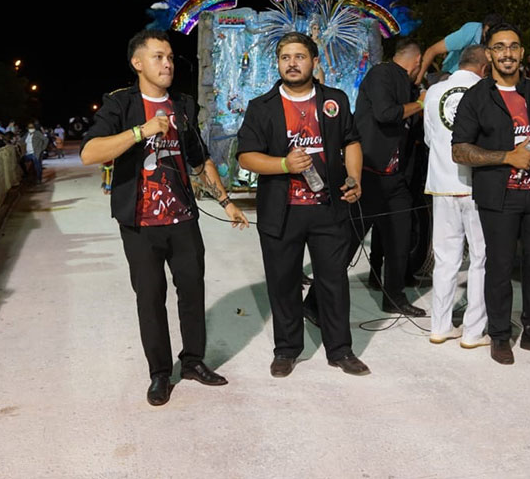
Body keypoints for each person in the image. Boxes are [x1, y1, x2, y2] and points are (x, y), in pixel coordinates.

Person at [80, 29, 249, 406]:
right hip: (140, 224)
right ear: (137, 63)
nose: (167, 63)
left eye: (170, 57)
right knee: (150, 298)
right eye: (158, 57)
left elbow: (199, 159)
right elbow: (90, 153)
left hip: (183, 219)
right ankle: (159, 373)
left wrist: (226, 202)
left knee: (192, 292)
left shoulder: (183, 105)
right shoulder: (120, 104)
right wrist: (141, 131)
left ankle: (193, 361)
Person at [236, 32, 369, 378]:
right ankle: (287, 349)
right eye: (285, 58)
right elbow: (247, 156)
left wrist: (354, 178)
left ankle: (340, 350)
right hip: (281, 210)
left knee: (334, 282)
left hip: (329, 208)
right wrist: (284, 164)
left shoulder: (334, 100)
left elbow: (352, 141)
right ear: (278, 64)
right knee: (283, 283)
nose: (292, 63)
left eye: (299, 57)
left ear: (314, 61)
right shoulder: (262, 107)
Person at [451, 23, 530, 365]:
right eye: (499, 47)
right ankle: (500, 335)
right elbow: (459, 150)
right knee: (500, 268)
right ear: (489, 54)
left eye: (513, 46)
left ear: (521, 52)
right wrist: (507, 156)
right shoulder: (476, 97)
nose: (507, 53)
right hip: (499, 198)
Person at [320, 38, 428, 317]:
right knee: (348, 243)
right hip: (367, 175)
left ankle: (394, 297)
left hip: (395, 178)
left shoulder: (407, 84)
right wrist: (419, 104)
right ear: (416, 61)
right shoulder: (381, 74)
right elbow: (385, 113)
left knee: (400, 239)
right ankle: (315, 303)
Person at [423, 45, 491, 348]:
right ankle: (473, 332)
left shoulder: (434, 92)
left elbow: (428, 138)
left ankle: (440, 327)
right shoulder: (486, 91)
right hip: (477, 185)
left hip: (441, 183)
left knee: (446, 259)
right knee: (481, 258)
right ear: (484, 67)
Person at [416, 13, 503, 84]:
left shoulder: (502, 39)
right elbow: (432, 50)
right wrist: (418, 80)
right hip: (451, 74)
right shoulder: (469, 32)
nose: (490, 37)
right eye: (487, 33)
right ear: (482, 28)